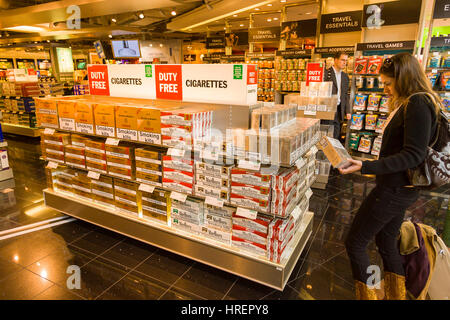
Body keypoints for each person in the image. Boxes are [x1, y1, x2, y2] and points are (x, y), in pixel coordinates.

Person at [339, 53, 440, 300]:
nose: (385, 89)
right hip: (400, 188)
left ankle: (370, 296)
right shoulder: (415, 102)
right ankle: (396, 294)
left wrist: (366, 166)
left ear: (404, 78)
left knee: (355, 242)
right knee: (386, 241)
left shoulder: (417, 104)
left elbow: (413, 155)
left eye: (387, 83)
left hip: (394, 190)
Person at [323, 51, 351, 140]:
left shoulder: (345, 76)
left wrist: (348, 111)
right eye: (342, 60)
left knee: (336, 136)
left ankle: (332, 153)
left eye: (346, 61)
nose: (344, 63)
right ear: (335, 60)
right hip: (327, 110)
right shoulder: (326, 74)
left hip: (339, 111)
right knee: (326, 135)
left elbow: (345, 95)